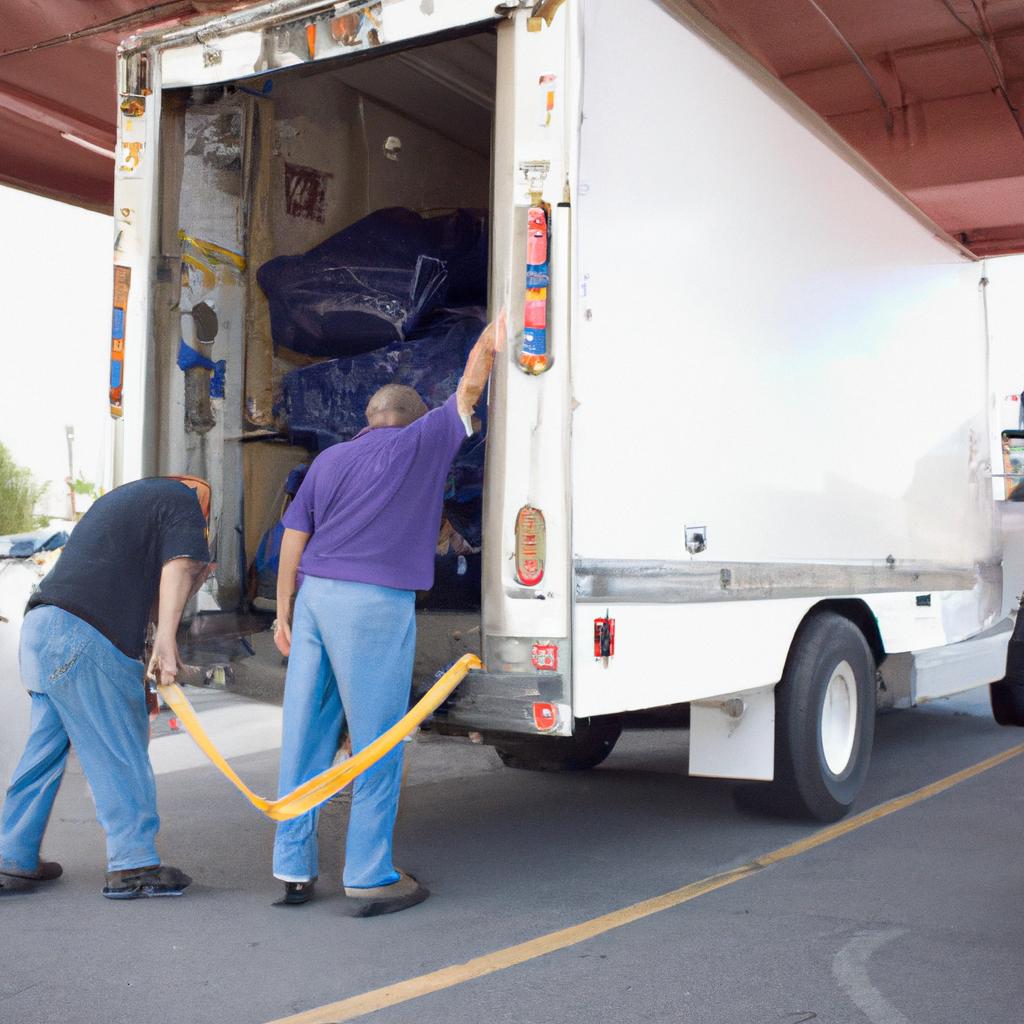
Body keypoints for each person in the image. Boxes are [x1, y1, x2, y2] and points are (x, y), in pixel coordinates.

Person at [272, 314, 504, 916]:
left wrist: (283, 613)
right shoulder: (424, 441)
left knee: (306, 733)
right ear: (413, 414)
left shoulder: (330, 461)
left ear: (368, 419)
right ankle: (370, 874)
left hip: (316, 596)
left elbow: (293, 536)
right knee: (379, 740)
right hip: (371, 605)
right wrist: (489, 338)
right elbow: (469, 389)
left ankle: (293, 868)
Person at [0, 476, 213, 899]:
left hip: (42, 628)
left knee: (44, 751)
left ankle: (12, 857)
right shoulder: (185, 502)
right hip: (83, 636)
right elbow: (177, 566)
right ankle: (132, 864)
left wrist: (149, 642)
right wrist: (168, 642)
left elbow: (143, 588)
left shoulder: (122, 504)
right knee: (120, 746)